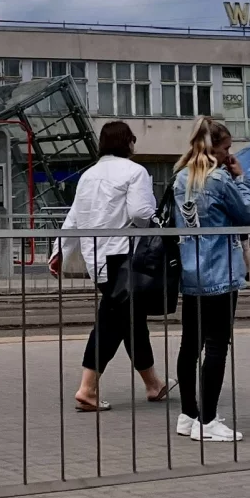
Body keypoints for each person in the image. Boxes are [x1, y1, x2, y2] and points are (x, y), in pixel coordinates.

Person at [49, 121, 175, 412]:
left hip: (97, 259)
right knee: (112, 322)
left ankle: (153, 384)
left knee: (131, 322)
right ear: (128, 143)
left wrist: (59, 251)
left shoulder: (88, 175)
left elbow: (74, 218)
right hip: (125, 259)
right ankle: (87, 389)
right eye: (133, 141)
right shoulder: (135, 172)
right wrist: (161, 225)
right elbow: (141, 213)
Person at [173, 117, 250, 442]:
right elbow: (245, 216)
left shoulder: (180, 179)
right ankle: (207, 421)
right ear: (213, 147)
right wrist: (243, 180)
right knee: (217, 346)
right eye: (226, 148)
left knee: (189, 344)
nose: (228, 154)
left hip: (190, 271)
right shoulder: (220, 180)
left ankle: (188, 414)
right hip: (220, 272)